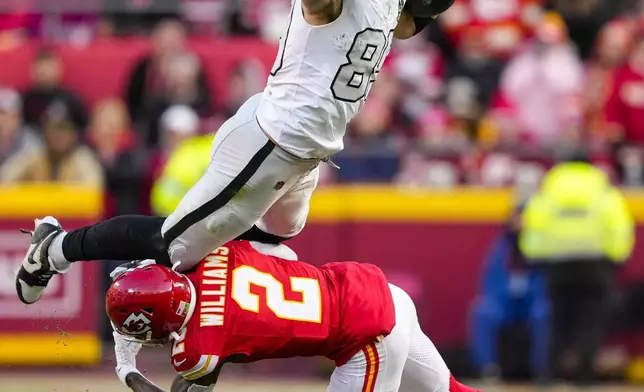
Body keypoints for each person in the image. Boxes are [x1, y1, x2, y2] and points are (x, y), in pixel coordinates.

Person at [16, 0, 456, 305]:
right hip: (273, 142)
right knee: (172, 245)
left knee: (270, 244)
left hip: (307, 153)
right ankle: (53, 249)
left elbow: (415, 17)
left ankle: (207, 337)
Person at [106, 240, 482, 392]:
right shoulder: (215, 252)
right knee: (447, 390)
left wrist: (126, 368)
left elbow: (190, 383)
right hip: (381, 291)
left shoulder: (197, 350)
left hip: (366, 340)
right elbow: (285, 255)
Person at [520, 153, 635, 384]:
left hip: (558, 265)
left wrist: (537, 257)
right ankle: (584, 377)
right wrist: (616, 258)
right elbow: (619, 226)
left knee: (557, 321)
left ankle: (549, 376)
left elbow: (532, 227)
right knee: (591, 322)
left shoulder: (549, 191)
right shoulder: (603, 191)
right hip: (596, 265)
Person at [469, 205, 550, 382]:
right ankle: (487, 368)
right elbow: (490, 280)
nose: (519, 223)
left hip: (532, 301)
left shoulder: (542, 246)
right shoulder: (501, 247)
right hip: (504, 302)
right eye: (515, 218)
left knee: (543, 313)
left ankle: (542, 370)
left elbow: (546, 280)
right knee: (482, 312)